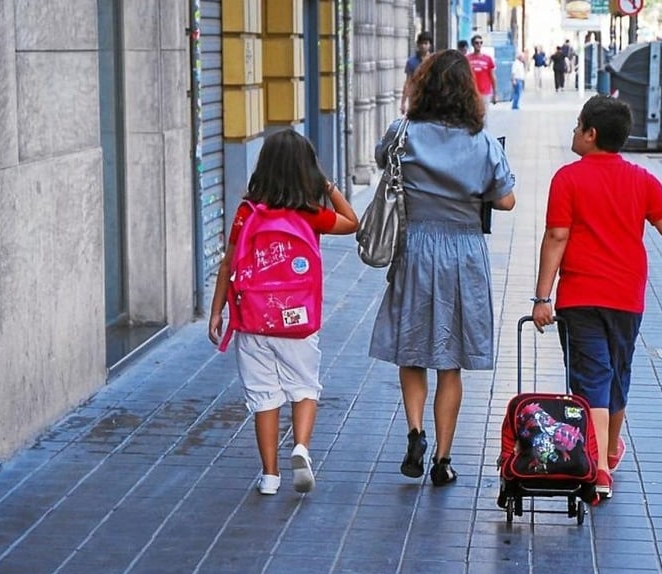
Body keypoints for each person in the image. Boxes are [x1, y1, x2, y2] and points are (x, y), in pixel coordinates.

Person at [531, 95, 662, 501]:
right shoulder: (642, 180)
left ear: (591, 134)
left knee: (592, 378)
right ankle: (610, 449)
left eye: (578, 125)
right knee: (616, 375)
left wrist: (542, 296)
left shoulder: (567, 179)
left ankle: (598, 469)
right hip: (626, 297)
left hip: (580, 297)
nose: (574, 132)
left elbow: (557, 237)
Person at [369, 49, 516, 487]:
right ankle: (443, 460)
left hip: (414, 247)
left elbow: (382, 162)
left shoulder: (402, 133)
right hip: (463, 251)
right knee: (448, 359)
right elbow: (505, 199)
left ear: (424, 86)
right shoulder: (483, 142)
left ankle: (415, 432)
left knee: (411, 346)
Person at [208, 130, 359, 496]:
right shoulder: (310, 213)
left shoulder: (248, 211)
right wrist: (327, 184)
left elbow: (229, 263)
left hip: (254, 320)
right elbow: (352, 221)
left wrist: (217, 311)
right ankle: (302, 449)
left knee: (264, 396)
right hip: (298, 322)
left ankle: (270, 477)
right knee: (304, 387)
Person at [401, 31, 433, 115]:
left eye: (426, 43)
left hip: (431, 98)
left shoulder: (434, 60)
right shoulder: (411, 62)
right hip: (415, 98)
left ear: (430, 45)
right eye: (421, 43)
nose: (423, 46)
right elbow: (408, 82)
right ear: (418, 45)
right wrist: (403, 102)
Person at [467, 35, 498, 113]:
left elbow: (492, 76)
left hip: (484, 92)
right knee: (472, 114)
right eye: (476, 43)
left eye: (481, 43)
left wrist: (495, 93)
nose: (479, 45)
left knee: (483, 115)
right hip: (471, 92)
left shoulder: (488, 59)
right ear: (473, 44)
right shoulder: (467, 58)